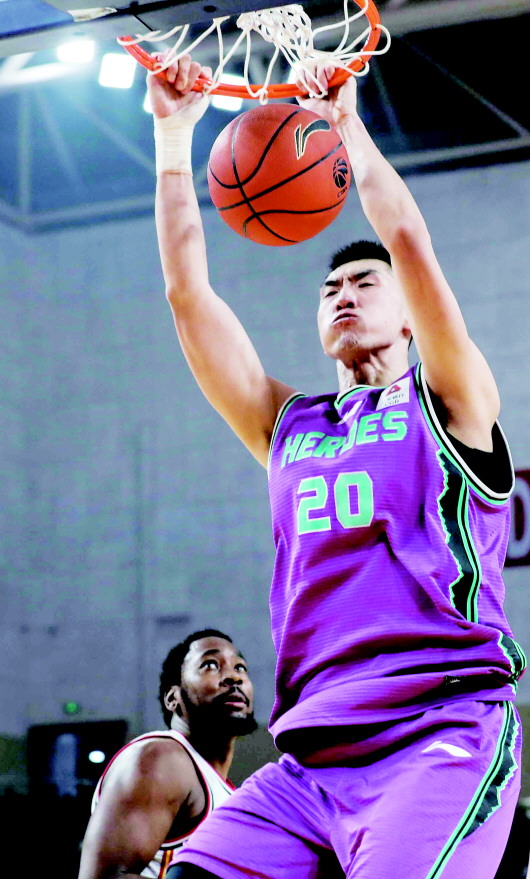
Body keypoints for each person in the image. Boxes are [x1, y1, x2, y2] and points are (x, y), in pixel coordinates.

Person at [147, 53, 526, 879]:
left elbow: (408, 241)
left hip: (438, 733)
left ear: (410, 314)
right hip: (312, 759)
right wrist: (173, 141)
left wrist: (346, 125)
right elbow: (188, 296)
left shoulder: (450, 400)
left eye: (364, 282)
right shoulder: (289, 425)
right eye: (330, 288)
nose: (344, 293)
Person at [77, 629, 257, 879]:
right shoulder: (161, 757)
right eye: (210, 665)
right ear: (173, 698)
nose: (233, 677)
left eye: (240, 668)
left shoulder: (225, 790)